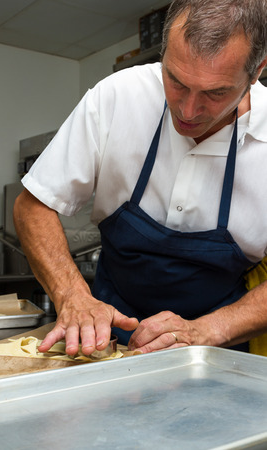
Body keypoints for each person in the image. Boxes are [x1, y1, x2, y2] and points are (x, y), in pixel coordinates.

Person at [14, 0, 267, 356]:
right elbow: (33, 205)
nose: (188, 110)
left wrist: (206, 330)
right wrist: (72, 295)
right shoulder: (118, 96)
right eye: (175, 80)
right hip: (105, 341)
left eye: (215, 93)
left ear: (255, 72)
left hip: (217, 350)